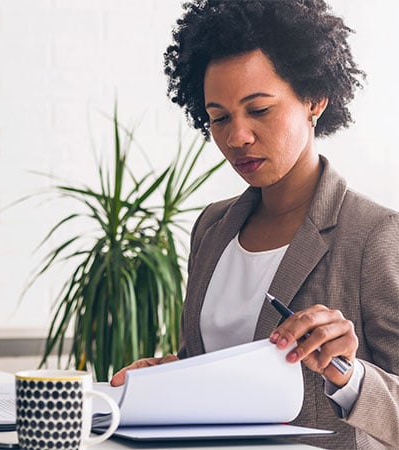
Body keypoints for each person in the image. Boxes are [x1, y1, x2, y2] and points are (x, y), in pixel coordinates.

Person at [110, 1, 399, 448]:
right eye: (219, 117)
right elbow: (213, 368)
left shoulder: (374, 235)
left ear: (314, 99)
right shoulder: (212, 227)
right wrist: (168, 377)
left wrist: (350, 374)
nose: (236, 136)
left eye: (259, 110)